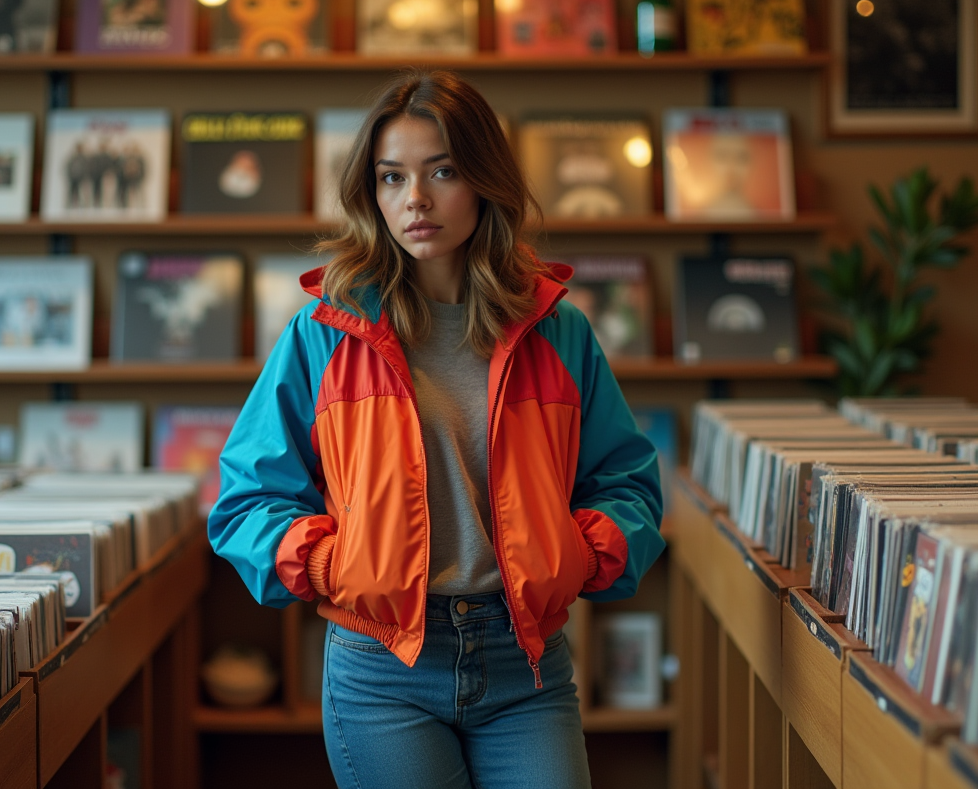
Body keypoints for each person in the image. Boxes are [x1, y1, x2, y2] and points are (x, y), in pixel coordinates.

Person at [209, 70, 664, 789]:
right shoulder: (327, 335)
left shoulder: (558, 331)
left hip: (528, 665)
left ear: (485, 180)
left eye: (442, 171)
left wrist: (575, 556)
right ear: (372, 193)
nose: (414, 199)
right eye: (391, 178)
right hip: (382, 670)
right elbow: (245, 503)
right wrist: (332, 565)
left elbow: (627, 485)